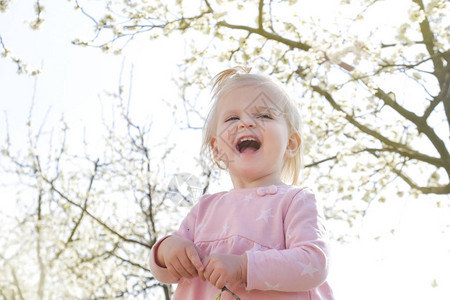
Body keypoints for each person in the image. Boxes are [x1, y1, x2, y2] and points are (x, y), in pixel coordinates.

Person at [149, 66, 334, 299]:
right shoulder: (204, 210)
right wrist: (167, 250)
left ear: (291, 143)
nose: (246, 122)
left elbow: (314, 262)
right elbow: (166, 270)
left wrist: (244, 267)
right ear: (216, 149)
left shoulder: (295, 200)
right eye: (232, 117)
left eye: (264, 115)